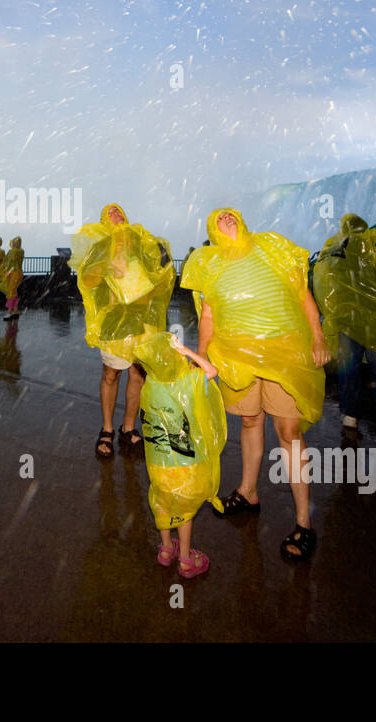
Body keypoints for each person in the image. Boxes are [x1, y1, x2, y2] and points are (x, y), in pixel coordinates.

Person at [179, 208, 330, 561]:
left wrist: (318, 336)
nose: (227, 219)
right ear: (211, 229)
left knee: (289, 430)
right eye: (220, 218)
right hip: (236, 356)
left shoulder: (270, 248)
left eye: (232, 215)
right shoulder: (208, 263)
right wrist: (202, 357)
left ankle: (304, 522)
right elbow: (209, 315)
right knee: (250, 420)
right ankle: (248, 492)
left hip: (285, 352)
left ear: (243, 220)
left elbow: (302, 293)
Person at [69, 203, 175, 457]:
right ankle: (107, 428)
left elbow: (161, 270)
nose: (115, 214)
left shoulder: (140, 242)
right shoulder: (100, 247)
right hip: (115, 320)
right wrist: (106, 265)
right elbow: (88, 281)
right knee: (111, 375)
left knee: (138, 376)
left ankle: (128, 428)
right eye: (109, 212)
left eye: (119, 211)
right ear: (103, 221)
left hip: (141, 320)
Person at [133, 331, 227, 579]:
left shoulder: (150, 385)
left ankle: (165, 550)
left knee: (162, 502)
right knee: (184, 510)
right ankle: (185, 559)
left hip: (158, 463)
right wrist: (188, 352)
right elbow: (213, 371)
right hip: (187, 463)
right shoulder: (187, 381)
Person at [311, 214, 376, 438]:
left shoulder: (333, 248)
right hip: (374, 320)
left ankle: (349, 416)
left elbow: (322, 281)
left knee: (350, 369)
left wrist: (332, 312)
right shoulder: (372, 244)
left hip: (347, 319)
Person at [1, 236, 25, 319]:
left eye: (16, 242)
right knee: (13, 292)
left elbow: (9, 260)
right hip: (14, 273)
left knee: (11, 291)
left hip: (14, 273)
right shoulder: (19, 251)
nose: (14, 244)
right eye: (14, 242)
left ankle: (9, 311)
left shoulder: (15, 251)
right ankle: (15, 310)